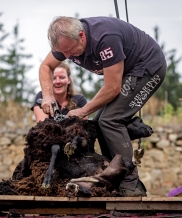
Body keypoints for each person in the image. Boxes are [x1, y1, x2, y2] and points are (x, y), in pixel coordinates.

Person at [38, 16, 167, 197]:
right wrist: (47, 95)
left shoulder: (106, 38)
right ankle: (112, 178)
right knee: (99, 124)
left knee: (110, 120)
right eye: (62, 52)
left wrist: (83, 110)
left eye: (69, 50)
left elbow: (113, 88)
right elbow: (46, 66)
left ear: (82, 36)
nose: (67, 57)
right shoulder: (66, 42)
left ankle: (131, 185)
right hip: (126, 72)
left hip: (148, 67)